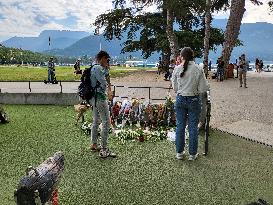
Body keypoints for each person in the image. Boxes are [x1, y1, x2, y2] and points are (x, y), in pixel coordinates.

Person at [171, 47, 209, 161]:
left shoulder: (177, 69)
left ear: (181, 57)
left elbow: (175, 88)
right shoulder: (198, 69)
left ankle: (179, 153)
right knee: (193, 127)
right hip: (194, 100)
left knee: (180, 126)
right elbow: (203, 87)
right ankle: (192, 154)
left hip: (181, 99)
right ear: (193, 56)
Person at [90, 50, 116, 158]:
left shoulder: (94, 66)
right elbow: (104, 83)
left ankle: (94, 144)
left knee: (96, 121)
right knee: (106, 122)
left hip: (94, 98)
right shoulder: (98, 68)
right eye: (106, 59)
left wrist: (106, 70)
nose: (107, 61)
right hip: (100, 98)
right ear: (102, 58)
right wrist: (109, 92)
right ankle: (104, 149)